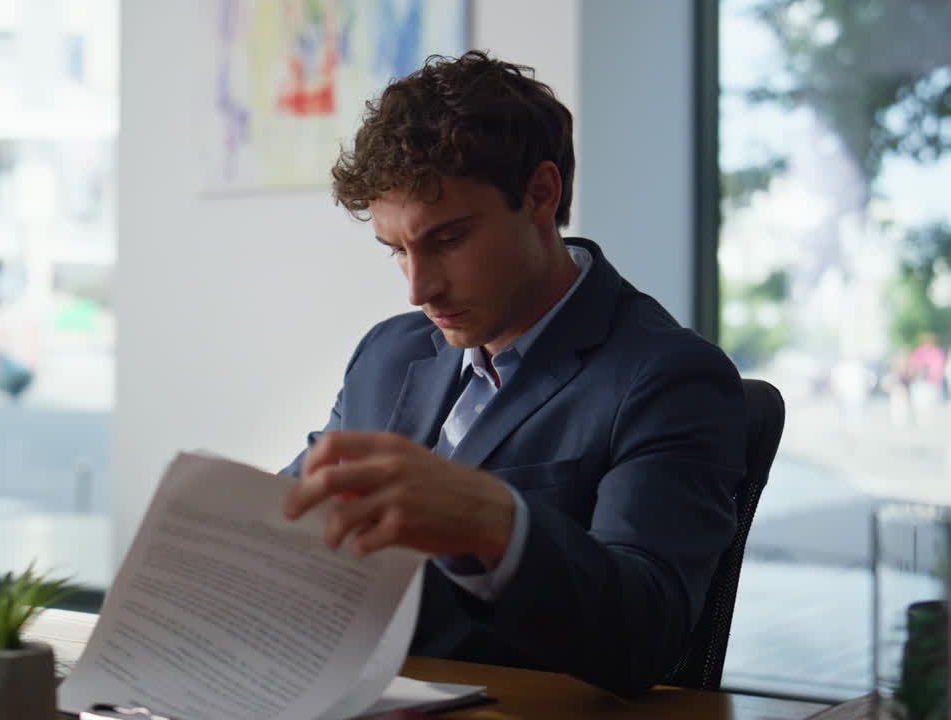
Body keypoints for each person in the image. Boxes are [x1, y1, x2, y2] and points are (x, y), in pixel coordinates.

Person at [281, 50, 746, 697]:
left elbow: (649, 631)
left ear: (541, 195)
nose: (418, 287)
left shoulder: (669, 377)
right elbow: (290, 517)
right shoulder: (388, 354)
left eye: (446, 240)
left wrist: (494, 522)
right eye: (397, 250)